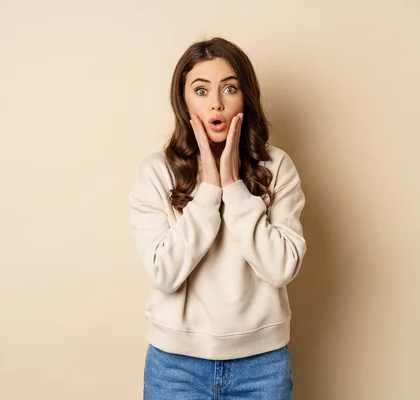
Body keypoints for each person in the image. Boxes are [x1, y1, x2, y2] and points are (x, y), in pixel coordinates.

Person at [129, 37, 307, 400]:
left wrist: (234, 187)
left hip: (262, 365)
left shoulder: (277, 167)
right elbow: (164, 273)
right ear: (183, 101)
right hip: (175, 366)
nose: (216, 103)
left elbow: (281, 268)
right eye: (201, 90)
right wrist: (209, 190)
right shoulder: (156, 173)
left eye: (230, 88)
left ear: (246, 97)